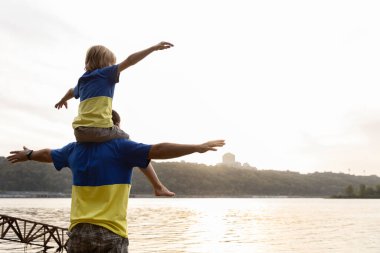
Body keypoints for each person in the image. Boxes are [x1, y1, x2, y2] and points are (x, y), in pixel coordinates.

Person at [7, 131, 225, 252]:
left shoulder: (74, 149)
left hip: (78, 233)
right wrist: (196, 147)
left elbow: (46, 154)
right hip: (110, 234)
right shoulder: (121, 147)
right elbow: (158, 150)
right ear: (112, 127)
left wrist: (29, 154)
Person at [55, 42, 175, 197]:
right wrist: (152, 48)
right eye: (111, 62)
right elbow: (130, 61)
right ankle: (158, 186)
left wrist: (63, 100)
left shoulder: (83, 80)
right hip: (98, 129)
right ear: (105, 62)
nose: (114, 66)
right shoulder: (106, 73)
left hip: (79, 132)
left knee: (110, 145)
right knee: (134, 148)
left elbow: (71, 91)